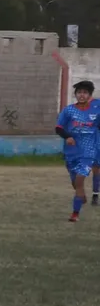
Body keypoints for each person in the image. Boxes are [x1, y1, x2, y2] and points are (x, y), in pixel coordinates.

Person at [55, 80, 100, 222]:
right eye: (79, 92)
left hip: (88, 152)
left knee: (80, 181)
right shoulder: (68, 110)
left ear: (89, 96)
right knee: (76, 183)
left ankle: (75, 214)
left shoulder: (96, 111)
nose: (82, 95)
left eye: (85, 93)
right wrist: (67, 136)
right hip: (71, 152)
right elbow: (59, 128)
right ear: (75, 94)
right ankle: (81, 196)